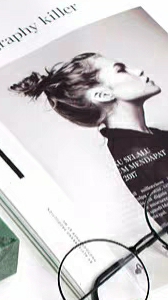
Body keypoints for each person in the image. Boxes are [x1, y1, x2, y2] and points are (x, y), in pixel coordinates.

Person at [10, 52, 168, 209]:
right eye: (121, 70)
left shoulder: (145, 140)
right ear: (103, 94)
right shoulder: (139, 151)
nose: (138, 71)